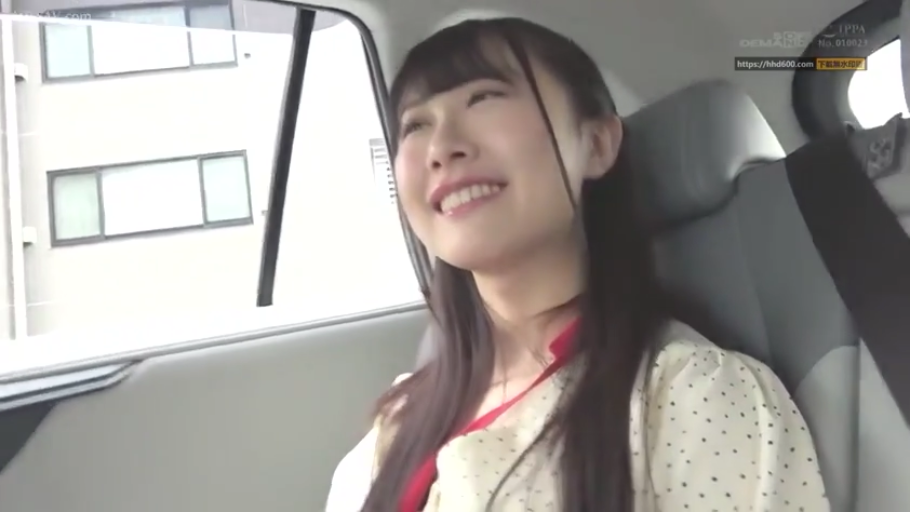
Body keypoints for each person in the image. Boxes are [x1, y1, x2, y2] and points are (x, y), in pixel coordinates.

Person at [325, 17, 830, 512]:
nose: (440, 147)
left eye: (483, 97)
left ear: (597, 144)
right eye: (415, 125)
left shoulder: (693, 395)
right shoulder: (398, 420)